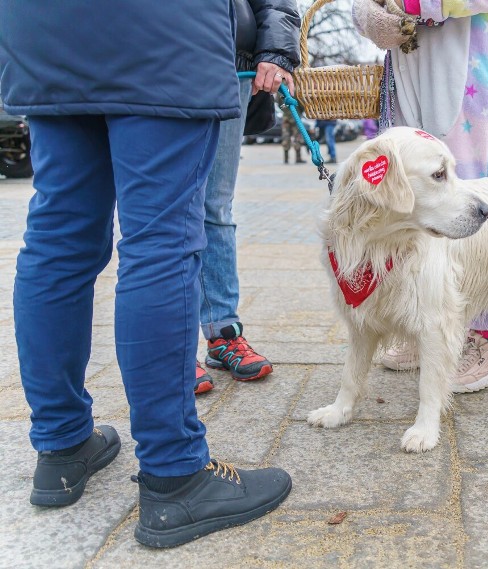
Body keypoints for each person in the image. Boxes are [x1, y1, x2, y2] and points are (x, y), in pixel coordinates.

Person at [0, 0, 292, 548]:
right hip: (161, 32)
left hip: (42, 29)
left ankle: (61, 447)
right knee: (160, 242)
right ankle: (175, 474)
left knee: (56, 242)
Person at [354, 0, 488, 393]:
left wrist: (411, 3)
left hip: (470, 86)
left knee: (471, 214)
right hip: (411, 75)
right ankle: (427, 331)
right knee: (417, 213)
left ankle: (485, 337)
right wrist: (368, 15)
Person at [194, 0, 301, 395]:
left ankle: (223, 332)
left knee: (216, 207)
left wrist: (275, 52)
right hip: (156, 57)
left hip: (231, 63)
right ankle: (171, 348)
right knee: (166, 212)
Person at [280, 96, 306, 164]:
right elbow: (302, 104)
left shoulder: (281, 90)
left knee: (286, 137)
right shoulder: (297, 90)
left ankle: (286, 158)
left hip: (286, 117)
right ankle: (298, 158)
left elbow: (279, 103)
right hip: (295, 116)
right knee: (297, 137)